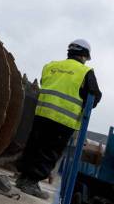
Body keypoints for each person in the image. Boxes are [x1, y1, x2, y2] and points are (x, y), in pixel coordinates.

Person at [15, 39, 102, 199]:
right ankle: (31, 183)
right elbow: (95, 96)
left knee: (34, 146)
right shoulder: (85, 72)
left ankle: (23, 178)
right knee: (49, 152)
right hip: (63, 120)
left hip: (42, 114)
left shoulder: (51, 66)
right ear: (84, 56)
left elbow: (44, 83)